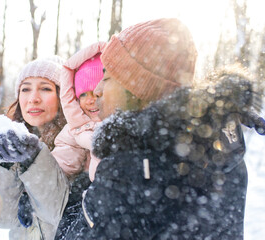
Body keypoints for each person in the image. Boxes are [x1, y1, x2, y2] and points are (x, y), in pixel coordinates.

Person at [66, 18, 265, 239]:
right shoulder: (215, 146)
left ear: (140, 89)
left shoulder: (136, 166)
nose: (97, 89)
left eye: (108, 77)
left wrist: (81, 197)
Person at [0, 56, 74, 240]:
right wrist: (1, 164)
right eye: (25, 89)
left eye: (45, 88)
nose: (33, 98)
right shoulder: (11, 142)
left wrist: (34, 159)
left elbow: (60, 216)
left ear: (62, 95)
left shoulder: (77, 143)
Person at [53, 42, 105, 239]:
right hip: (83, 201)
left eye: (95, 92)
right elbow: (62, 163)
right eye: (83, 94)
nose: (90, 99)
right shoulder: (76, 128)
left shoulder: (120, 125)